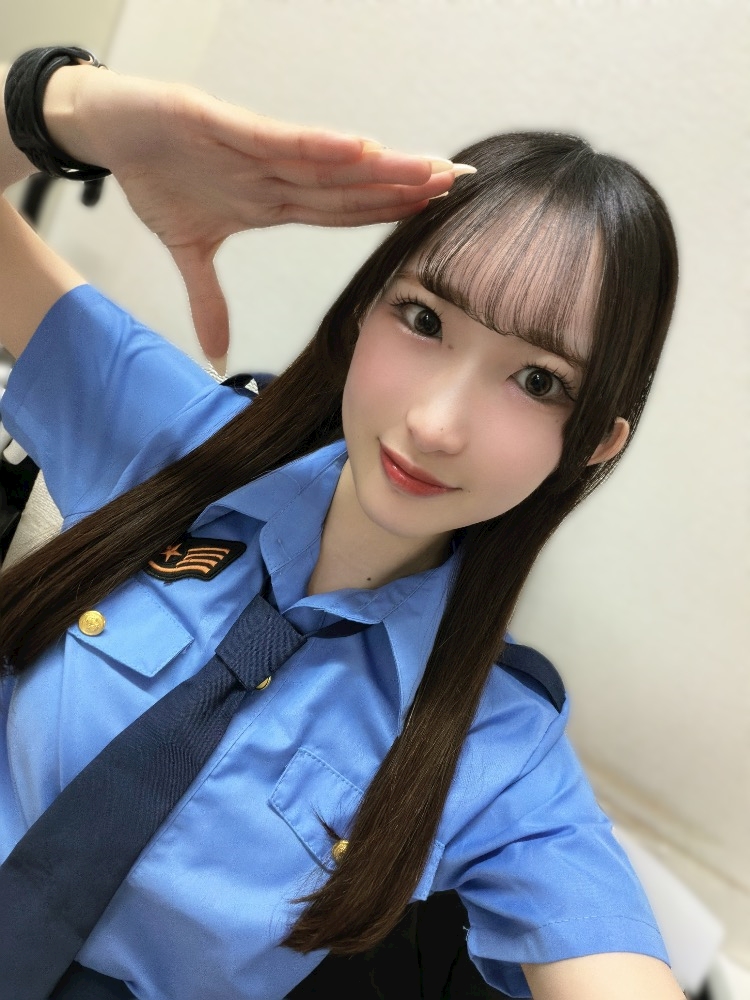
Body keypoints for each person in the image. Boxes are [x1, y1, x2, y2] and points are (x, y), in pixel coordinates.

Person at [0, 48, 684, 1000]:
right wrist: (72, 107)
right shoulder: (179, 446)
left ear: (593, 445)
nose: (435, 425)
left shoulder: (497, 749)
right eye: (425, 319)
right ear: (365, 309)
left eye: (538, 381)